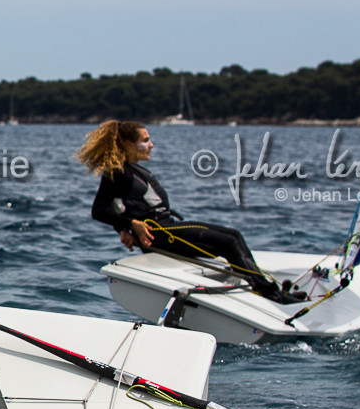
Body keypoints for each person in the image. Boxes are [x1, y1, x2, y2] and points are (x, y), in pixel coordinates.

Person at [76, 120, 300, 302]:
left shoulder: (133, 170)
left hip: (165, 228)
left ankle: (266, 288)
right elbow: (100, 209)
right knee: (230, 240)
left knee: (232, 236)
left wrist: (122, 227)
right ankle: (269, 293)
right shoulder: (118, 172)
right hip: (159, 234)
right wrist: (129, 225)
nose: (151, 145)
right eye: (145, 140)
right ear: (126, 143)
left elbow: (121, 205)